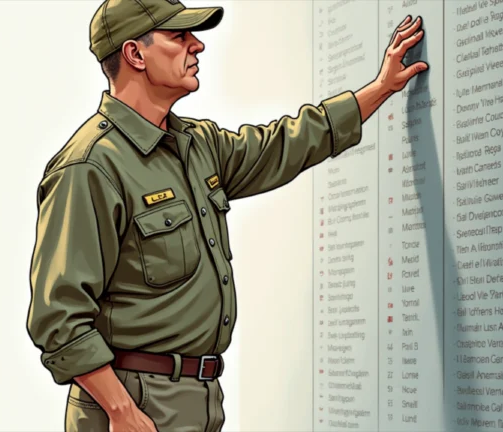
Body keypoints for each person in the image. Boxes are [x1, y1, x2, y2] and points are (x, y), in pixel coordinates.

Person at [26, 0, 428, 430]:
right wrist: (122, 412)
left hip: (199, 399)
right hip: (130, 403)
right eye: (179, 37)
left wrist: (381, 87)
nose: (196, 46)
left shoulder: (197, 146)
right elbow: (58, 318)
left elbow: (285, 143)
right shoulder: (90, 167)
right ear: (135, 55)